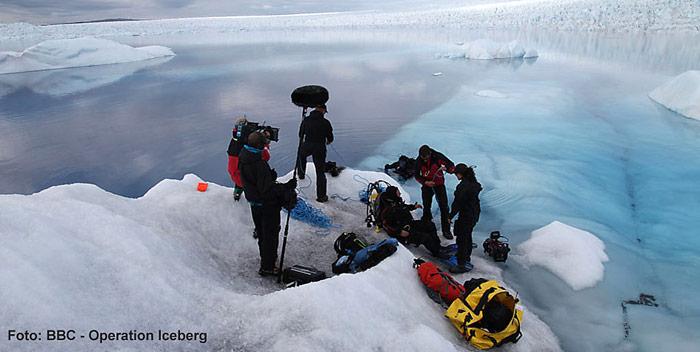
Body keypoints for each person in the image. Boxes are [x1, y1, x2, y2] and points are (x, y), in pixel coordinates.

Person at [238, 131, 296, 276]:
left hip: (254, 204)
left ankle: (266, 260)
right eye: (265, 144)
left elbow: (254, 181)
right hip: (266, 205)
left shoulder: (244, 157)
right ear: (259, 146)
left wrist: (269, 177)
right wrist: (286, 186)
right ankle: (268, 266)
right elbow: (267, 191)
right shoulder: (259, 164)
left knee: (262, 234)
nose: (266, 146)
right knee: (270, 235)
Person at [379, 186, 453, 259]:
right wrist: (399, 232)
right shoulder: (387, 209)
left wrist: (413, 207)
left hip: (409, 224)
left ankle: (438, 246)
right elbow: (386, 225)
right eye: (398, 192)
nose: (400, 194)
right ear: (393, 194)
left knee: (430, 225)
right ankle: (437, 252)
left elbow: (403, 207)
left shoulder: (395, 201)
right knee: (425, 237)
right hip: (402, 232)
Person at [415, 145, 455, 239]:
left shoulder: (437, 156)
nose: (424, 160)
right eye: (423, 158)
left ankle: (446, 230)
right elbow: (416, 175)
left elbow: (451, 165)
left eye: (426, 158)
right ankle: (427, 222)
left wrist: (448, 169)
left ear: (430, 154)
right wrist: (425, 182)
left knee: (444, 206)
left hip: (439, 184)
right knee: (426, 204)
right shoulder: (418, 161)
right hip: (427, 184)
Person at [226, 116, 270, 201]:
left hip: (235, 177)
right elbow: (266, 157)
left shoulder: (233, 144)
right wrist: (265, 143)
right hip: (248, 182)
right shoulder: (249, 151)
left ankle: (237, 193)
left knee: (241, 170)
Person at [448, 164, 482, 273]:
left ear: (460, 174)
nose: (456, 176)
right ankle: (466, 256)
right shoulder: (473, 182)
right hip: (474, 213)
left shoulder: (463, 186)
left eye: (456, 174)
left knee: (462, 238)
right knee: (467, 234)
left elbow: (457, 203)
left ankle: (461, 264)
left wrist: (450, 216)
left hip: (466, 215)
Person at [297, 104, 334, 202]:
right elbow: (330, 138)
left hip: (307, 145)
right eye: (325, 112)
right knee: (320, 172)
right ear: (322, 110)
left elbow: (300, 134)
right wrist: (328, 141)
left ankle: (301, 174)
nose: (324, 113)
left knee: (301, 155)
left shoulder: (306, 120)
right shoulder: (326, 122)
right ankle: (321, 197)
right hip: (319, 148)